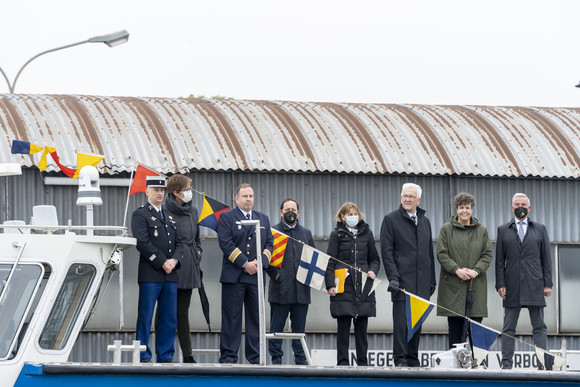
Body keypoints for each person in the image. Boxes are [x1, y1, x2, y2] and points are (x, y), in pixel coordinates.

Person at [380, 183, 436, 367]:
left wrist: (432, 281)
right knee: (402, 326)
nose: (407, 199)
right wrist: (393, 278)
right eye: (404, 195)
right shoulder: (391, 220)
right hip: (402, 283)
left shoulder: (425, 221)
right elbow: (387, 253)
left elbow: (428, 253)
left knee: (416, 325)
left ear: (418, 200)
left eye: (411, 196)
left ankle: (413, 360)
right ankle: (400, 361)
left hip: (421, 284)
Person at [217, 183, 274, 364]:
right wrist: (245, 263)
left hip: (256, 277)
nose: (248, 199)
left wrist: (261, 263)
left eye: (251, 196)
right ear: (236, 198)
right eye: (244, 196)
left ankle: (256, 358)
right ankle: (228, 357)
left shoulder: (263, 219)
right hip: (234, 276)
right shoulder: (227, 217)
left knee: (256, 319)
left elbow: (270, 244)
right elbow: (225, 243)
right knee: (231, 319)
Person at [495, 193, 553, 370]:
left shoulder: (540, 229)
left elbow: (546, 259)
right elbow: (499, 261)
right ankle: (506, 364)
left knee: (539, 326)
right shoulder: (503, 229)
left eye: (523, 204)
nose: (520, 207)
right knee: (508, 327)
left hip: (535, 283)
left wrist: (547, 284)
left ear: (529, 208)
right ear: (512, 208)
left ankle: (543, 364)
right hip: (512, 285)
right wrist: (500, 284)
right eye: (517, 204)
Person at [131, 175, 183, 363]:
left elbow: (179, 243)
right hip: (151, 274)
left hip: (170, 275)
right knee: (145, 317)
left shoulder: (169, 216)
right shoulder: (140, 214)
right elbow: (142, 242)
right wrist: (163, 261)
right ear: (147, 192)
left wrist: (174, 261)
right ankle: (143, 355)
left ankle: (166, 355)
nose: (160, 193)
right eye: (156, 190)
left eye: (162, 190)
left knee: (169, 318)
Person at [325, 202, 380, 366]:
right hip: (343, 285)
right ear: (342, 217)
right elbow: (330, 262)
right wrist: (330, 285)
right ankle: (342, 363)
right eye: (349, 214)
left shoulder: (367, 233)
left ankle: (363, 363)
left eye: (354, 214)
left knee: (362, 327)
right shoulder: (336, 235)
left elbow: (375, 259)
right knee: (343, 327)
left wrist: (373, 270)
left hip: (363, 284)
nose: (352, 217)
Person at [436, 192, 492, 350]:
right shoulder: (446, 229)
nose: (464, 211)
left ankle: (476, 368)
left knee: (476, 334)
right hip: (453, 289)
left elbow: (487, 255)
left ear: (472, 209)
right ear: (456, 209)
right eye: (461, 208)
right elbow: (442, 253)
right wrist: (456, 270)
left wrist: (475, 271)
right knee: (455, 334)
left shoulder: (482, 231)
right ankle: (455, 369)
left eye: (467, 207)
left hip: (476, 288)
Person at [266, 198, 315, 365]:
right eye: (287, 209)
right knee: (276, 330)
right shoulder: (272, 232)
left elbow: (312, 257)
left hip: (301, 291)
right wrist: (277, 276)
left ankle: (300, 361)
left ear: (298, 213)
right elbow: (267, 259)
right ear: (281, 212)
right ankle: (276, 360)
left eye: (293, 209)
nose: (290, 212)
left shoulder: (306, 233)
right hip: (280, 290)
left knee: (299, 330)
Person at [162, 174, 203, 363]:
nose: (189, 192)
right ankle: (163, 353)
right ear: (176, 192)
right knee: (164, 311)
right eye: (186, 189)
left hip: (190, 265)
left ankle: (188, 354)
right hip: (170, 266)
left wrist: (198, 252)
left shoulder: (194, 210)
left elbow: (197, 237)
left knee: (182, 312)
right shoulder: (164, 209)